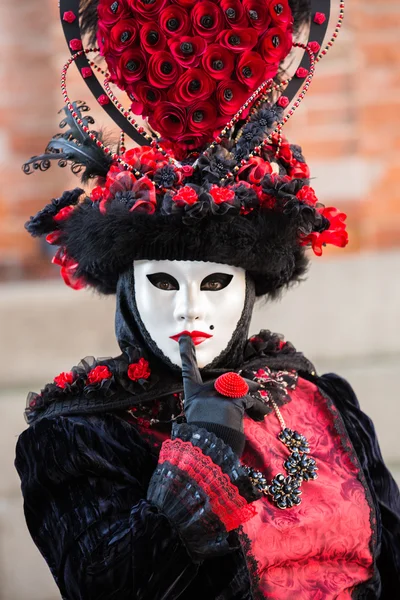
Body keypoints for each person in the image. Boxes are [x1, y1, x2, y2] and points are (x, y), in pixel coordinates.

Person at [15, 0, 400, 598]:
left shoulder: (320, 401)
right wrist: (192, 473)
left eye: (216, 283)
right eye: (163, 283)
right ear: (126, 287)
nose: (189, 311)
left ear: (249, 288)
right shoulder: (79, 437)